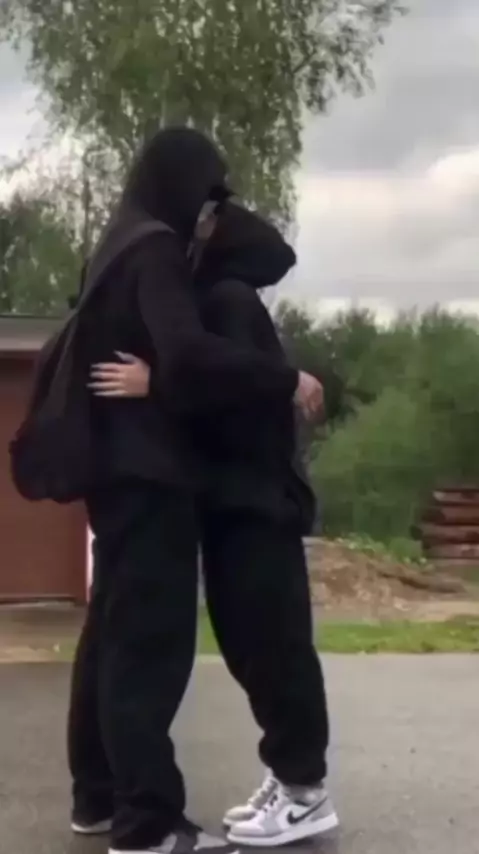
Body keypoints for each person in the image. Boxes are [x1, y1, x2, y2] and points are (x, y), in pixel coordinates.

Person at [67, 130, 325, 854]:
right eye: (206, 204)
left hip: (236, 499)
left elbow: (206, 375)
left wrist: (162, 383)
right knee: (153, 650)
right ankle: (146, 818)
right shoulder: (159, 264)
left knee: (216, 645)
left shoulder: (199, 285)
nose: (208, 221)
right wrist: (283, 379)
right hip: (184, 491)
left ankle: (294, 788)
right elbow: (196, 367)